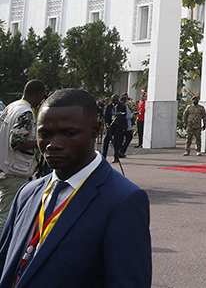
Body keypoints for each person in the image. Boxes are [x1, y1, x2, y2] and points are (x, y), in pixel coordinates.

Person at [0, 88, 152, 288]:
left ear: (96, 130)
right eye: (44, 134)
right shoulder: (27, 193)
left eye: (68, 133)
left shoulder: (123, 200)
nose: (52, 145)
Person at [0, 80, 46, 227]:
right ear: (38, 94)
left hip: (5, 167)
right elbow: (17, 142)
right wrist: (41, 142)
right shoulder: (26, 112)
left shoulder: (11, 106)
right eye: (42, 96)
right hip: (14, 170)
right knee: (5, 218)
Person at [101, 94, 127, 163]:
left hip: (118, 126)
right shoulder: (109, 106)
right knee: (106, 140)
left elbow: (124, 116)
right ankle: (103, 157)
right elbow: (105, 116)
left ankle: (116, 157)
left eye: (116, 100)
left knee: (117, 142)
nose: (114, 102)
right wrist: (106, 123)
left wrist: (118, 117)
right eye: (113, 101)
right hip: (110, 125)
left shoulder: (122, 106)